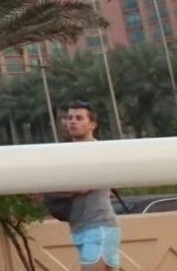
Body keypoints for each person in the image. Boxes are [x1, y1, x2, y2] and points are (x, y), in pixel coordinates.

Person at [61, 101, 122, 271]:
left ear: (92, 125)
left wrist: (57, 187)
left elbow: (83, 186)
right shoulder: (68, 153)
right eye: (70, 118)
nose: (73, 122)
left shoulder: (96, 151)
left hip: (98, 226)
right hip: (81, 227)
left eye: (79, 118)